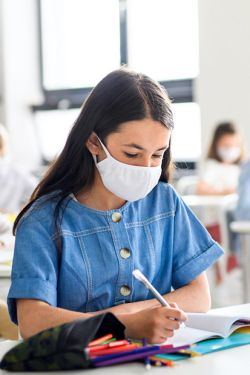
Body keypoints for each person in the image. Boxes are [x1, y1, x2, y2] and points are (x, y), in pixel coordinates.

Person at [8, 68, 223, 344]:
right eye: (132, 154)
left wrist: (128, 314)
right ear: (93, 142)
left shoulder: (165, 202)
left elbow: (198, 295)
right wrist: (123, 324)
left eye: (158, 154)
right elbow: (33, 322)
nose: (145, 168)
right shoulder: (44, 220)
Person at [0, 124, 38, 213]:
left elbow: (39, 192)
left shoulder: (17, 171)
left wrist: (23, 210)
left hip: (8, 220)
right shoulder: (17, 170)